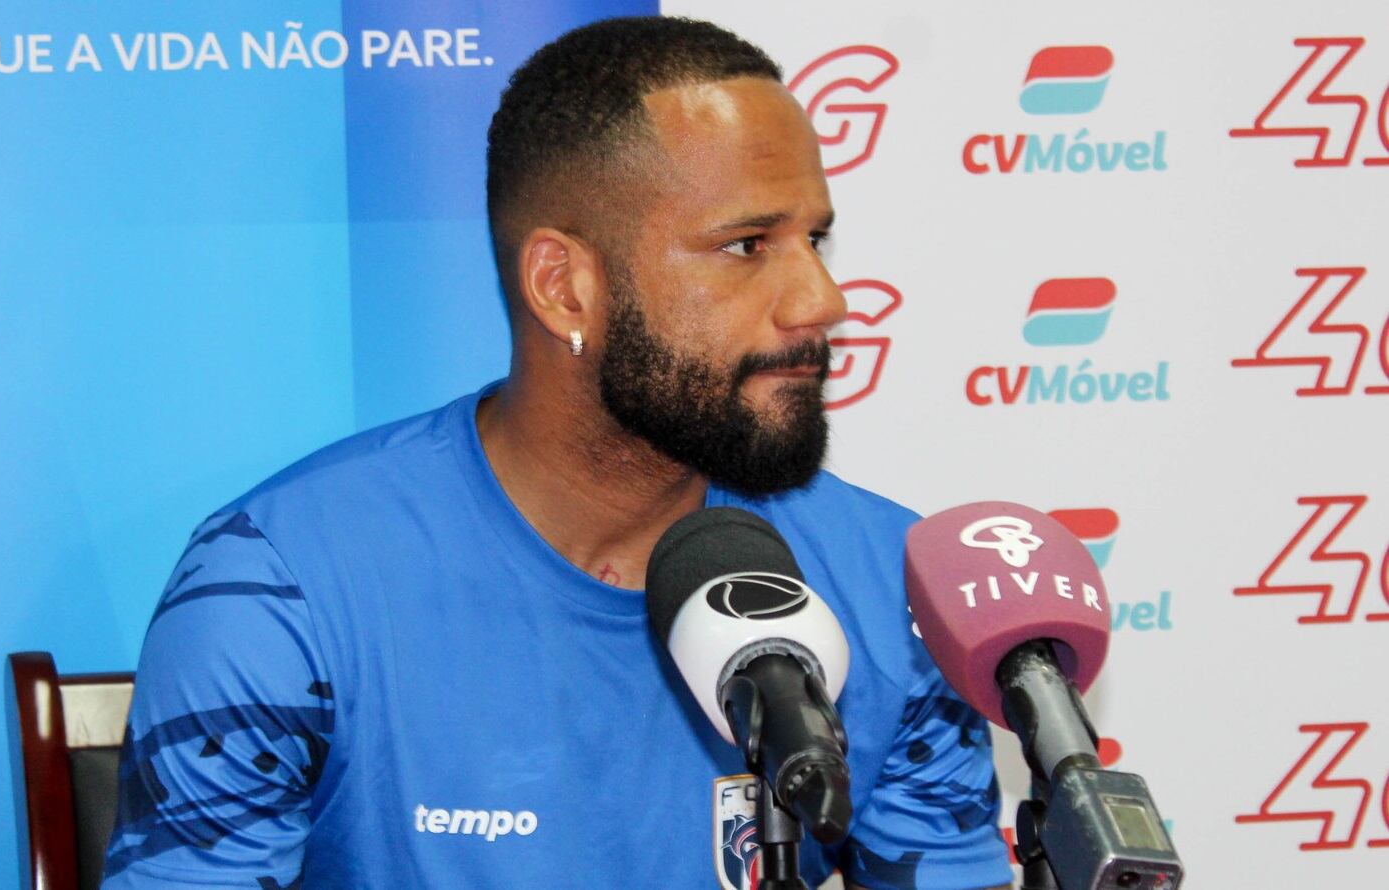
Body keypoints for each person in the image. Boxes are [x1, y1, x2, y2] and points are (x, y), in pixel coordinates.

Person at [101, 16, 1012, 890]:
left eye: (813, 239)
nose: (822, 300)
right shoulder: (281, 585)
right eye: (746, 245)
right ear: (564, 288)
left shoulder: (892, 583)